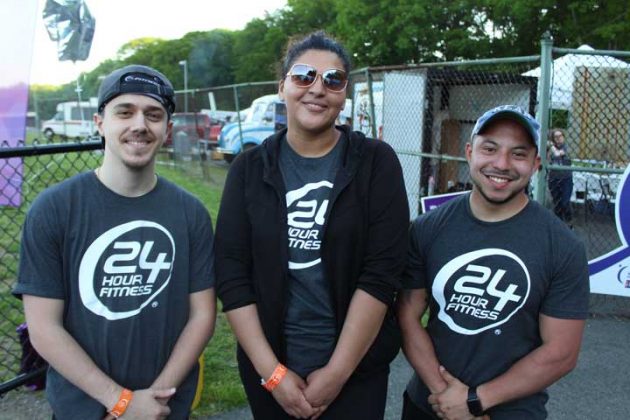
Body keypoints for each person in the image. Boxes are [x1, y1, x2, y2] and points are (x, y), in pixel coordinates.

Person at [215, 31, 409, 420]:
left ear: (344, 93)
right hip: (271, 372)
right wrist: (273, 375)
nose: (318, 88)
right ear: (282, 85)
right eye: (304, 75)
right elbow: (232, 275)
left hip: (355, 375)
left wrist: (337, 373)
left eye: (333, 79)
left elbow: (382, 273)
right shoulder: (249, 169)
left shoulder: (375, 163)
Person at [14, 64, 216, 420]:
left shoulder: (191, 213)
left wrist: (153, 402)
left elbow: (202, 315)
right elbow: (44, 328)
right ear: (99, 123)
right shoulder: (53, 209)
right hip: (83, 408)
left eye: (153, 115)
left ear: (168, 130)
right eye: (124, 112)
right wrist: (120, 402)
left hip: (164, 407)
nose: (140, 124)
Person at [398, 105, 590, 420]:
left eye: (518, 154)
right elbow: (407, 314)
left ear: (536, 164)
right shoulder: (427, 228)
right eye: (489, 149)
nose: (501, 164)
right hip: (428, 403)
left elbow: (561, 353)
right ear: (469, 153)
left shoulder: (563, 247)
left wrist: (476, 401)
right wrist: (447, 397)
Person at [547, 128, 573, 224]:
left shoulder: (567, 147)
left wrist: (551, 146)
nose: (558, 138)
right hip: (554, 179)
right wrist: (549, 147)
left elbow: (558, 154)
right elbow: (547, 158)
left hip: (566, 179)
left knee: (565, 202)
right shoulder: (550, 149)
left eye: (560, 136)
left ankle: (569, 222)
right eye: (555, 137)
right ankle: (559, 224)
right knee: (557, 203)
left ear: (563, 137)